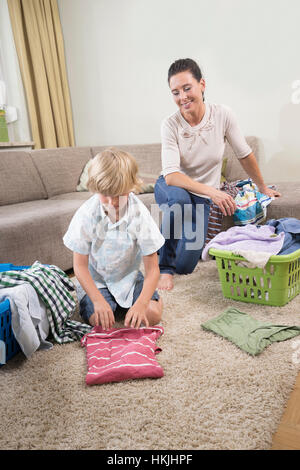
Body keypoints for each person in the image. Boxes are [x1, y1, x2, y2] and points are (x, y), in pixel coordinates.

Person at [155, 58, 281, 291]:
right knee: (180, 200)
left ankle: (157, 248)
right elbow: (172, 176)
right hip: (172, 186)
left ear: (202, 84)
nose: (182, 97)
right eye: (175, 92)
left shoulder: (223, 115)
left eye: (187, 88)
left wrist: (262, 187)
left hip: (201, 195)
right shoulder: (170, 125)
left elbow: (244, 154)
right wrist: (214, 192)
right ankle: (163, 267)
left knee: (186, 265)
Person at [63, 147, 164, 330]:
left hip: (130, 278)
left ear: (132, 187)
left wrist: (141, 304)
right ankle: (103, 303)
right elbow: (79, 267)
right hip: (96, 282)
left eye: (119, 195)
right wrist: (97, 300)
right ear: (94, 189)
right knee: (100, 323)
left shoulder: (139, 213)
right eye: (105, 195)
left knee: (152, 315)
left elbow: (153, 270)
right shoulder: (86, 214)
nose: (113, 203)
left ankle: (138, 303)